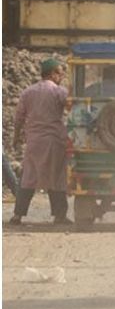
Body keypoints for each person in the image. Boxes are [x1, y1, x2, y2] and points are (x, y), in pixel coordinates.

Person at [10, 59, 71, 226]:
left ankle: (17, 216)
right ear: (52, 73)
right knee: (56, 177)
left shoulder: (28, 92)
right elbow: (73, 109)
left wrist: (16, 138)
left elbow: (19, 117)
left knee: (28, 177)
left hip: (34, 142)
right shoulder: (59, 92)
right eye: (59, 72)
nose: (61, 75)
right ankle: (59, 216)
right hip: (54, 141)